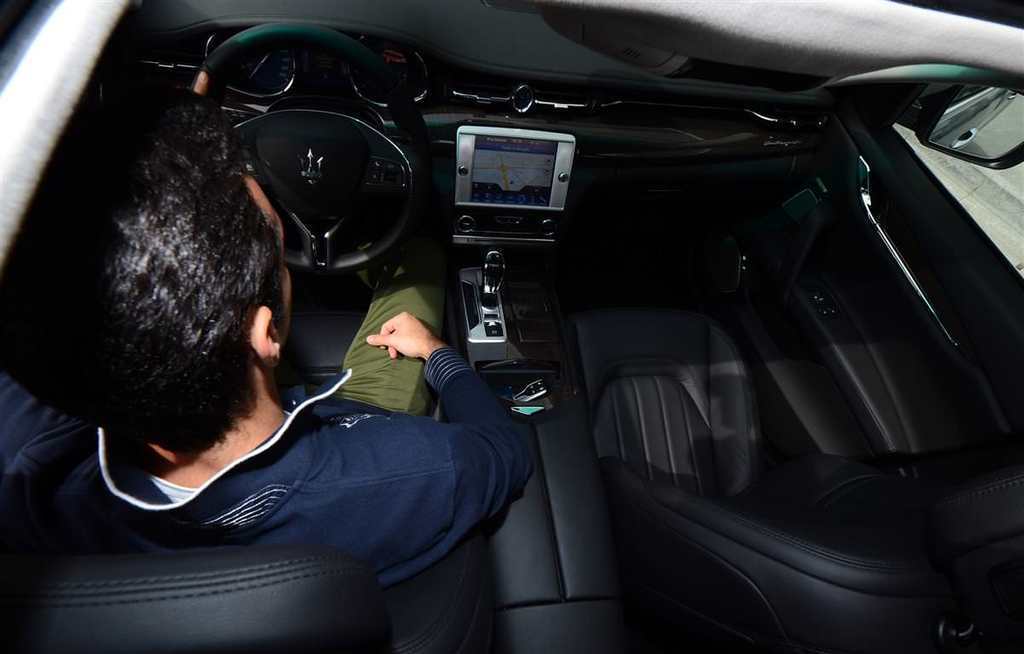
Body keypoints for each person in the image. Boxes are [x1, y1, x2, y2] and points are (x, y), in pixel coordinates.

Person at [0, 90, 531, 586]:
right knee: (419, 256)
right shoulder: (418, 472)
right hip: (350, 431)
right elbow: (505, 449)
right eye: (279, 249)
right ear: (266, 333)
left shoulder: (29, 483)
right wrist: (437, 353)